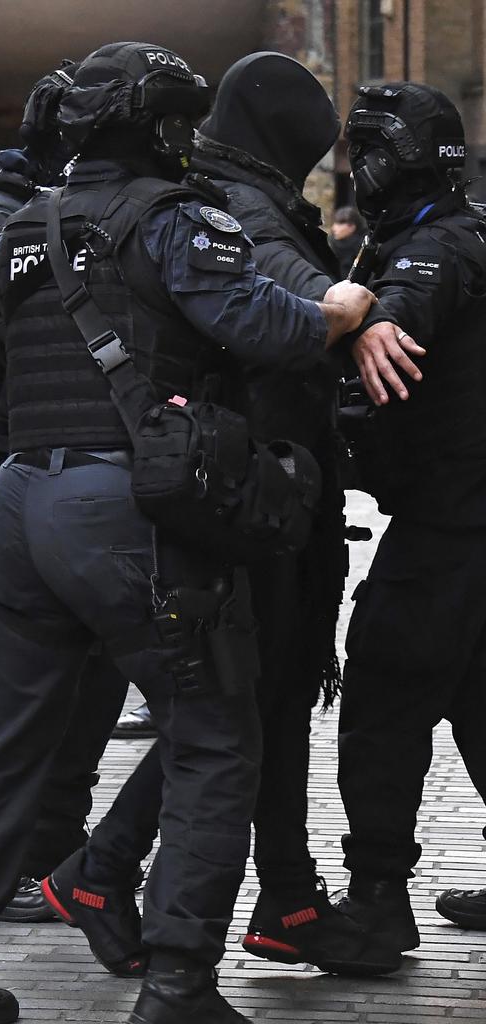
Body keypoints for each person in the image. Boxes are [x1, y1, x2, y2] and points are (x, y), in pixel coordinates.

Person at [0, 41, 375, 1024]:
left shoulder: (8, 230)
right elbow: (276, 330)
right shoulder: (173, 223)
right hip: (130, 511)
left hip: (21, 502)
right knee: (213, 738)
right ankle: (178, 985)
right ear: (159, 127)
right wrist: (345, 306)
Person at [61, 50, 411, 981]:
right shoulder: (243, 210)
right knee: (241, 701)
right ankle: (109, 871)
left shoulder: (234, 196)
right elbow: (286, 314)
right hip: (248, 489)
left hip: (256, 485)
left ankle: (277, 896)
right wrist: (358, 315)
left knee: (260, 699)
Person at [0, 63, 132, 925]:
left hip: (38, 468)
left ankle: (44, 855)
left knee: (78, 685)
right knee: (5, 698)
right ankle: (9, 870)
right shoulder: (0, 222)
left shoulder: (21, 215)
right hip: (8, 469)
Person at [332, 82, 486, 962]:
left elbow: (407, 317)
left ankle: (378, 900)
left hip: (449, 525)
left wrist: (367, 327)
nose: (363, 167)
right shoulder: (419, 237)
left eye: (374, 149)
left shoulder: (437, 246)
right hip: (456, 517)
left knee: (384, 703)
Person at [329, 205, 364, 277]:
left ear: (352, 227)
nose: (334, 228)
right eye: (335, 223)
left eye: (339, 224)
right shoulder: (332, 244)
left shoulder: (363, 246)